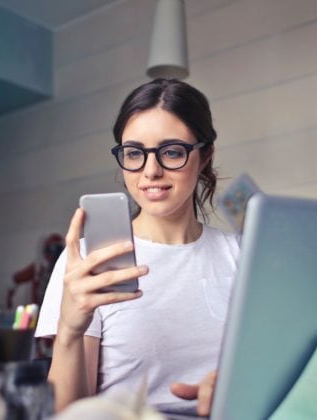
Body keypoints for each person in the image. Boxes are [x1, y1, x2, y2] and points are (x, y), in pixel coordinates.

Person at [35, 78, 240, 416]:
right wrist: (70, 330)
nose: (151, 171)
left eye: (172, 151)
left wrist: (238, 388)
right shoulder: (89, 261)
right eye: (134, 153)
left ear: (205, 156)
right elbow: (68, 414)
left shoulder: (241, 255)